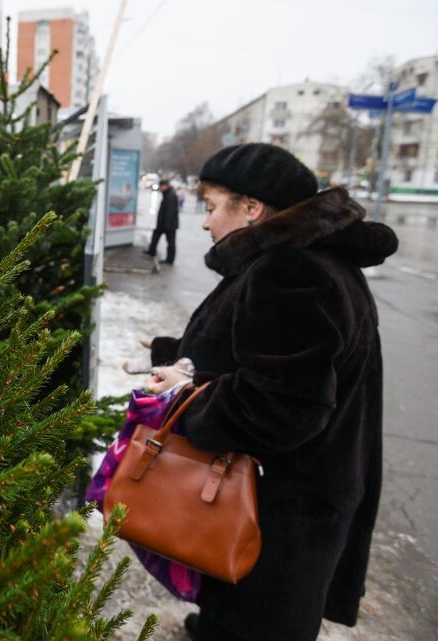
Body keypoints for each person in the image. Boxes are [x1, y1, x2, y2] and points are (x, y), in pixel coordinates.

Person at [140, 143, 398, 641]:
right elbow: (263, 353)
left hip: (278, 520)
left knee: (252, 625)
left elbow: (279, 408)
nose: (204, 220)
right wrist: (173, 354)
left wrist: (189, 396)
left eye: (212, 206)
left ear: (252, 207)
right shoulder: (309, 261)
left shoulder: (290, 272)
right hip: (287, 508)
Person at [144, 178, 179, 264]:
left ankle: (170, 259)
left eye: (161, 186)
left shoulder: (171, 195)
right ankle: (152, 251)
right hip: (164, 223)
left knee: (170, 242)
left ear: (166, 185)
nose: (160, 188)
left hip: (168, 224)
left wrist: (167, 224)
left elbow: (170, 211)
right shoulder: (167, 193)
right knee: (156, 235)